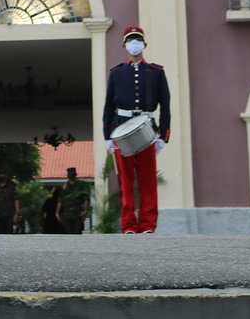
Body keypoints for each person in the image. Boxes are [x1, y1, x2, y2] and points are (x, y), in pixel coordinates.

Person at [102, 25, 171, 234]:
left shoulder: (156, 72)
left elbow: (165, 106)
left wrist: (163, 136)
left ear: (144, 44)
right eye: (131, 41)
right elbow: (108, 107)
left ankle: (148, 224)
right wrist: (107, 136)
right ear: (124, 45)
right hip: (121, 129)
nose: (135, 44)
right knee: (125, 181)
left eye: (138, 40)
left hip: (147, 129)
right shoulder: (116, 73)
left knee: (148, 179)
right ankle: (129, 225)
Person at [57, 167, 90, 234]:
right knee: (67, 233)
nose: (71, 175)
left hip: (77, 213)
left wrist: (85, 210)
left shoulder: (81, 185)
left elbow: (85, 199)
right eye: (69, 174)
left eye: (72, 174)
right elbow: (60, 200)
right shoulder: (64, 186)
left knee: (77, 233)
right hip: (66, 214)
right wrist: (57, 212)